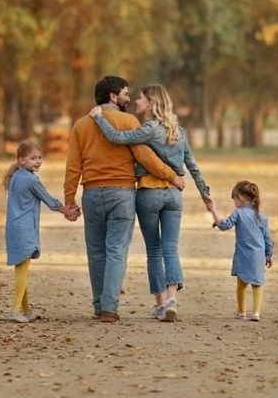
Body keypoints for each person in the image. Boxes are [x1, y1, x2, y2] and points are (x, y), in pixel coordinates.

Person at [64, 75, 186, 323]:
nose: (129, 99)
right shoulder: (128, 121)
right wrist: (171, 175)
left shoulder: (80, 125)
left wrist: (69, 200)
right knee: (116, 250)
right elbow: (144, 156)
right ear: (113, 96)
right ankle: (110, 307)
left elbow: (73, 167)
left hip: (91, 193)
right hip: (122, 194)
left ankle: (99, 305)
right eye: (126, 94)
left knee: (96, 251)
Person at [89, 83, 210, 322]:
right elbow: (193, 166)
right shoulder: (179, 131)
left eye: (141, 99)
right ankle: (172, 300)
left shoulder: (149, 129)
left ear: (152, 103)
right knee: (171, 247)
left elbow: (116, 138)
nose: (137, 102)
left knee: (154, 250)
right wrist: (205, 193)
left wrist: (99, 118)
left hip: (149, 192)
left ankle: (160, 304)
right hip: (174, 196)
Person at [4, 140, 80, 323]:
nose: (37, 161)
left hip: (14, 227)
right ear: (21, 160)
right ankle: (15, 311)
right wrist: (68, 211)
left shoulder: (16, 176)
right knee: (22, 270)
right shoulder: (30, 180)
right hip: (24, 229)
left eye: (39, 158)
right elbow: (50, 201)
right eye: (33, 158)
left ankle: (26, 310)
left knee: (22, 268)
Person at [206, 180, 274, 322]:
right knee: (257, 284)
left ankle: (241, 312)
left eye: (235, 199)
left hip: (243, 256)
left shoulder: (238, 213)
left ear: (241, 198)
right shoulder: (262, 216)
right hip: (258, 256)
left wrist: (213, 210)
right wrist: (268, 255)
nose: (234, 203)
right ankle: (256, 313)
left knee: (241, 284)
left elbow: (224, 225)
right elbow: (268, 239)